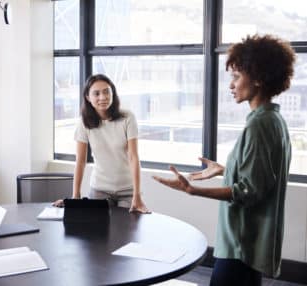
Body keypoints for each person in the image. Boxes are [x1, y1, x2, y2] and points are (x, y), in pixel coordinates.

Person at [153, 34, 295, 286]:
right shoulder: (274, 120)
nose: (231, 85)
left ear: (259, 79)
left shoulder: (259, 125)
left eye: (236, 77)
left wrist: (193, 190)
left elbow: (250, 191)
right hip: (249, 246)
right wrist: (224, 169)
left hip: (240, 246)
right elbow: (262, 175)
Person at [54, 74, 150, 213]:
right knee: (97, 232)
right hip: (100, 190)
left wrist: (137, 195)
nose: (103, 97)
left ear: (113, 93)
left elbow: (133, 157)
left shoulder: (127, 118)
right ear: (88, 97)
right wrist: (75, 196)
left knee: (126, 231)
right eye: (96, 93)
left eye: (106, 91)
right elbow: (80, 161)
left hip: (128, 190)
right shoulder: (84, 122)